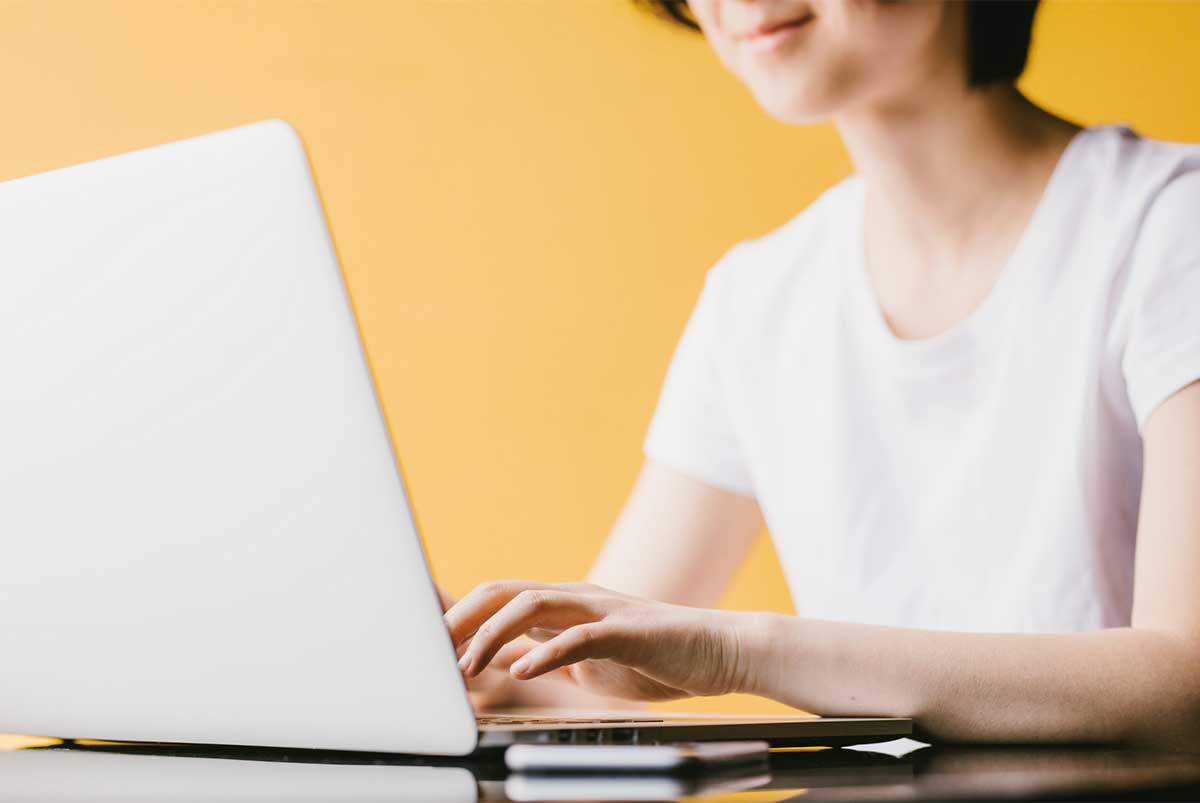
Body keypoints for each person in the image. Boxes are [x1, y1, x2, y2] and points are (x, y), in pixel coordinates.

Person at [442, 0, 1200, 746]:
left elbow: (1185, 676)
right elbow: (595, 679)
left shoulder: (1168, 226)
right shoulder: (759, 297)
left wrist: (740, 651)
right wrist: (456, 663)